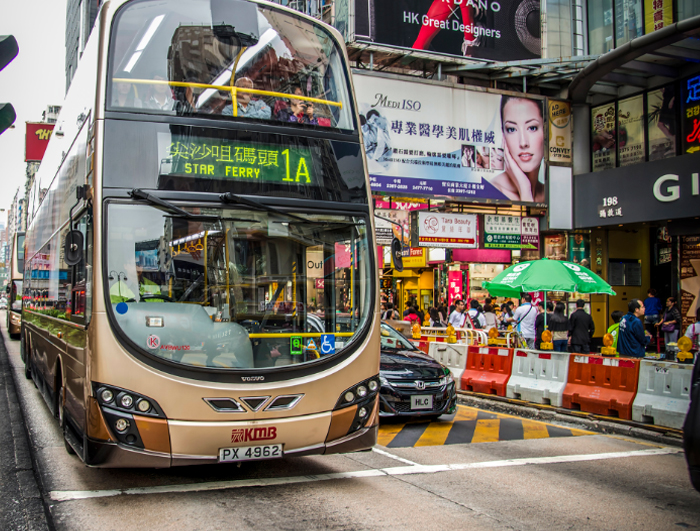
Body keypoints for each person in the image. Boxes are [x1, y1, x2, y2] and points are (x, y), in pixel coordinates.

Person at [490, 97, 545, 203]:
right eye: (511, 129)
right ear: (503, 136)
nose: (523, 143)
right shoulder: (493, 191)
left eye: (532, 128)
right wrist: (524, 188)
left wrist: (526, 192)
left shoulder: (551, 194)